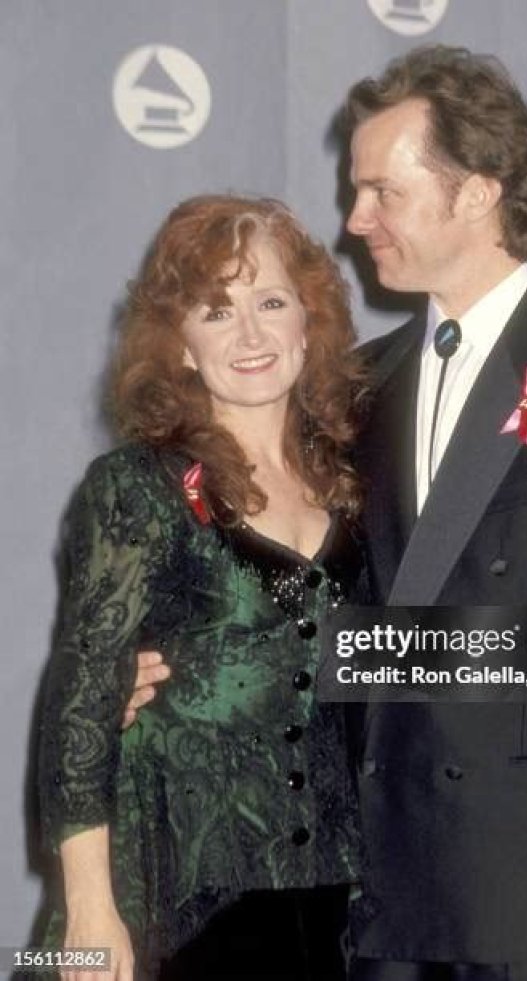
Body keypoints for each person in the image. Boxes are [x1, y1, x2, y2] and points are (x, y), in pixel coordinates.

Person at [127, 46, 527, 981]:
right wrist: (177, 667)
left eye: (382, 193)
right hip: (373, 884)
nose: (355, 220)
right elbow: (322, 611)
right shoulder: (363, 385)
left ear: (477, 193)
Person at [38, 194, 367, 981]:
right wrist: (89, 911)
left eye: (271, 302)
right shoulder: (137, 487)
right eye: (217, 311)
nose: (250, 334)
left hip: (334, 903)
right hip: (174, 903)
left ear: (308, 324)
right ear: (181, 346)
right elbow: (80, 712)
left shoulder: (358, 484)